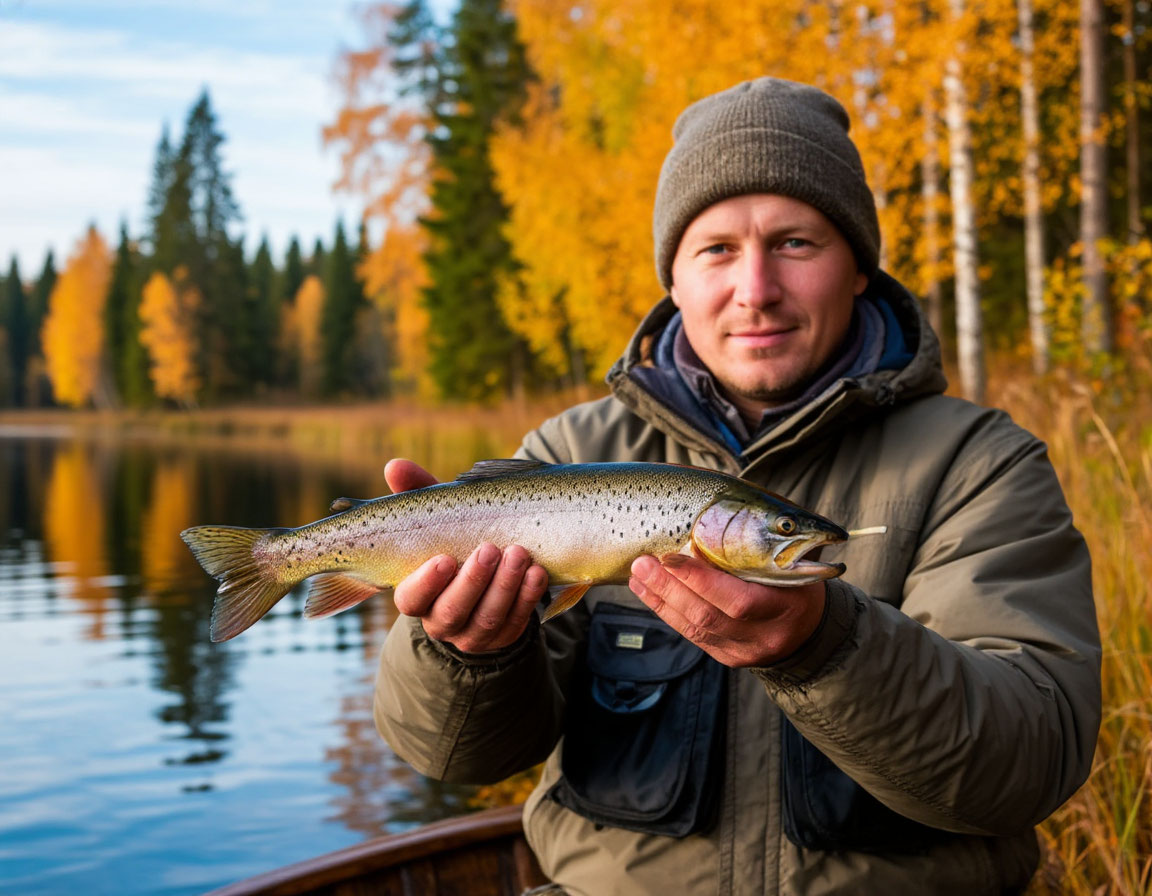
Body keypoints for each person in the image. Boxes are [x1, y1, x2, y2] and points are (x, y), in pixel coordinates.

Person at [374, 77, 1101, 895]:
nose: (755, 289)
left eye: (795, 242)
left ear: (858, 268)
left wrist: (826, 648)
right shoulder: (566, 453)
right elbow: (453, 758)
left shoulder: (981, 463)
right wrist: (464, 654)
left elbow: (1030, 762)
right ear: (674, 280)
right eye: (716, 249)